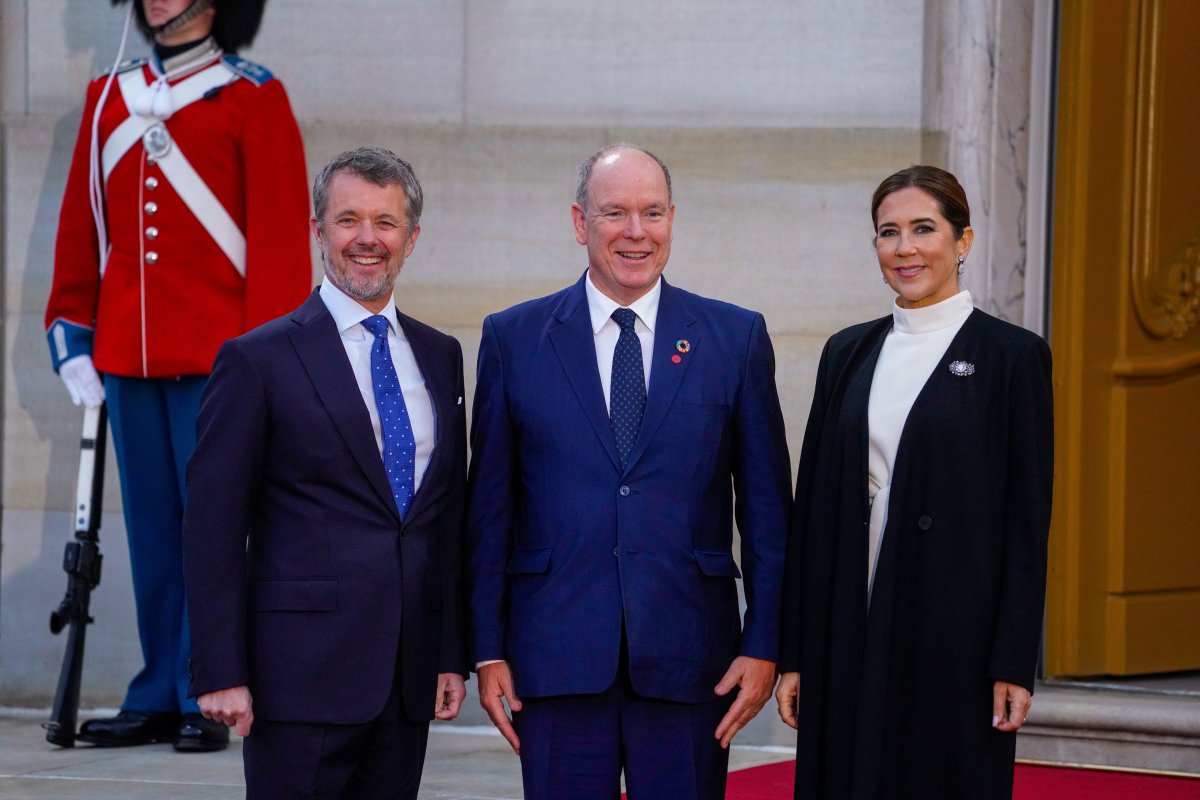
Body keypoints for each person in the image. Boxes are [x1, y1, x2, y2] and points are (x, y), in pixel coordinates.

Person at [465, 144, 792, 799]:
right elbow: (489, 511)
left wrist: (765, 647)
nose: (636, 232)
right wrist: (487, 649)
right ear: (580, 223)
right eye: (615, 213)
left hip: (691, 663)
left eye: (651, 213)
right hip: (554, 660)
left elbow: (766, 515)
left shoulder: (735, 338)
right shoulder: (514, 339)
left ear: (672, 218)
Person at [43, 0, 311, 751]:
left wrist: (269, 364)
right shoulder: (108, 99)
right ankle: (159, 685)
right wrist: (73, 334)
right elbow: (81, 227)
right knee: (154, 533)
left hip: (222, 362)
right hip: (128, 357)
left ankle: (209, 687)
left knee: (216, 531)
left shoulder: (253, 96)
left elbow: (281, 244)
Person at [181, 147, 468, 798]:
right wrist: (220, 668)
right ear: (318, 232)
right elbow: (212, 528)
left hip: (405, 681)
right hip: (297, 681)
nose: (368, 239)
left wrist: (450, 651)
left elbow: (444, 520)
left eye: (386, 223)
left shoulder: (440, 355)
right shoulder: (257, 361)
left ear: (412, 238)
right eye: (348, 220)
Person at [775, 165, 1053, 799]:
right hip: (846, 619)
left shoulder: (1012, 357)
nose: (905, 248)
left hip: (954, 634)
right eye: (888, 232)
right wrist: (794, 653)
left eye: (923, 228)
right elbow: (812, 511)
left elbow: (1026, 521)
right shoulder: (846, 352)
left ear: (963, 241)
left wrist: (1014, 660)